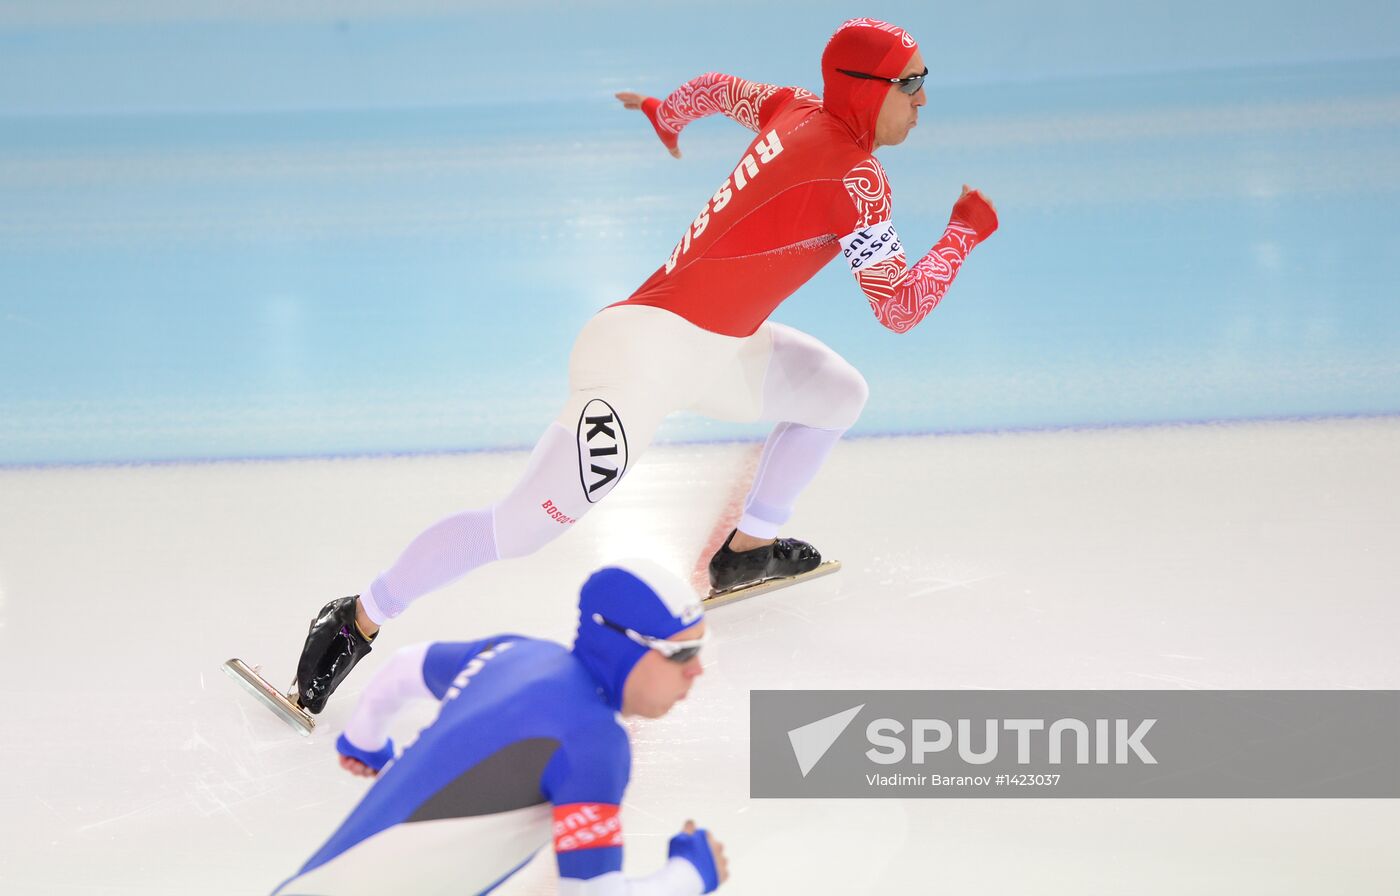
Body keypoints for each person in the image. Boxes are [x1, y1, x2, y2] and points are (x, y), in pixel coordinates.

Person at [290, 17, 999, 715]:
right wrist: (963, 232)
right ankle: (358, 617)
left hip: (719, 351)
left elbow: (720, 88)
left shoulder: (794, 105)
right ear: (865, 89)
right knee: (519, 528)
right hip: (641, 359)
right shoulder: (858, 176)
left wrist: (668, 113)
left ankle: (747, 549)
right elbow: (900, 308)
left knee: (839, 393)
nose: (924, 99)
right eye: (911, 83)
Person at [273, 560, 729, 896]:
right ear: (625, 649)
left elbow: (402, 669)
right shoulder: (594, 741)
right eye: (682, 655)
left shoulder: (514, 654)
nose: (698, 671)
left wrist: (365, 740)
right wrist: (693, 873)